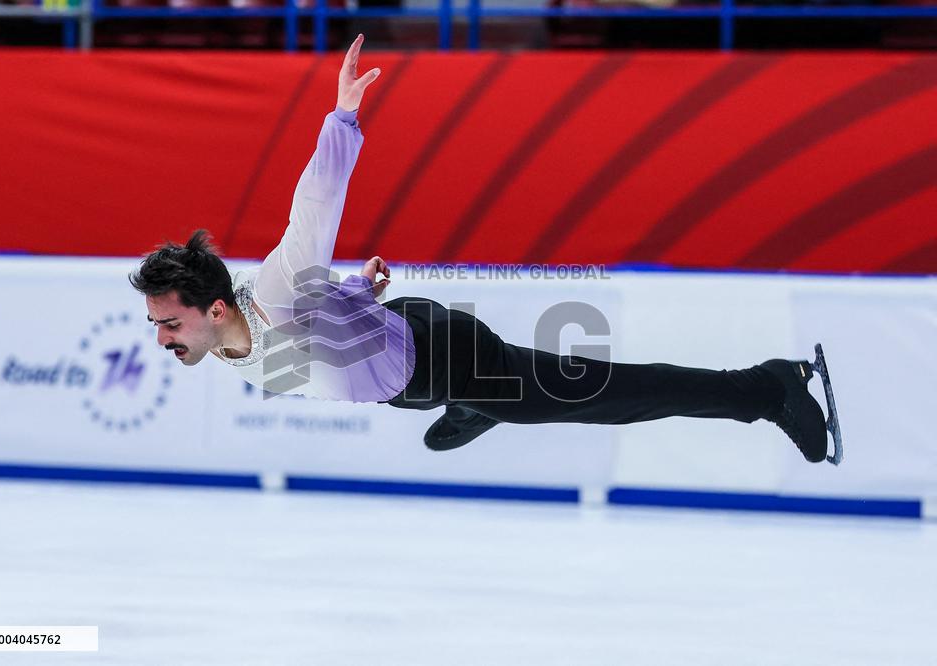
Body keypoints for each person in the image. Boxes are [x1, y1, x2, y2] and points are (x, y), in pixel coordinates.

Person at [130, 35, 834, 464]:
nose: (160, 337)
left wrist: (341, 118)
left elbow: (313, 205)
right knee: (423, 377)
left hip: (448, 354)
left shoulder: (276, 291)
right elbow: (314, 351)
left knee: (607, 397)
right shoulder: (222, 343)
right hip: (407, 351)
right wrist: (351, 295)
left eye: (168, 322)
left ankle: (768, 388)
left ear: (215, 305)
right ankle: (469, 406)